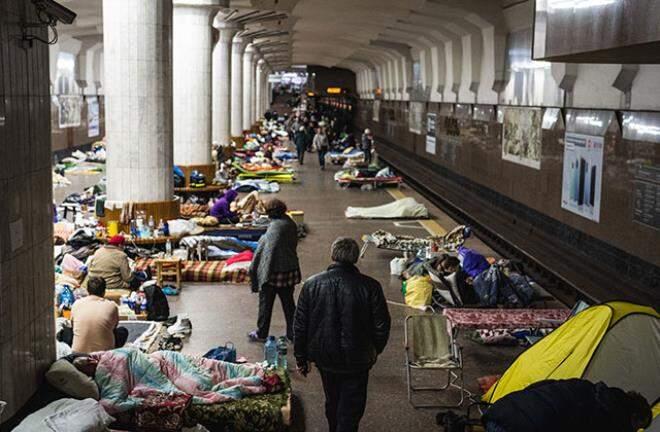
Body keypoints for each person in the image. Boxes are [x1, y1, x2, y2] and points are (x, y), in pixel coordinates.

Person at [294, 237, 391, 432]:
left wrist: (301, 357)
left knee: (332, 400)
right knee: (352, 408)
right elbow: (382, 325)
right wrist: (373, 350)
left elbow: (300, 325)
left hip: (325, 357)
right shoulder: (370, 286)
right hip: (358, 359)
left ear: (332, 255)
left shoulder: (312, 284)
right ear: (355, 258)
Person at [482, 379, 652, 432]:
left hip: (499, 411)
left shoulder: (586, 386)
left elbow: (539, 385)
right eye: (637, 428)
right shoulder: (610, 420)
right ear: (634, 416)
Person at [248, 199, 301, 342]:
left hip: (273, 273)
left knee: (266, 304)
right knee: (289, 305)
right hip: (289, 270)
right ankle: (293, 334)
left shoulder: (275, 228)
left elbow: (266, 252)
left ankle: (261, 333)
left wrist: (255, 269)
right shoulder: (289, 222)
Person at [70, 277, 128, 353]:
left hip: (78, 353)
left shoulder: (77, 304)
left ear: (88, 291)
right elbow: (114, 326)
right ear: (104, 291)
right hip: (104, 353)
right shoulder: (111, 306)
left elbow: (73, 325)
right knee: (122, 331)